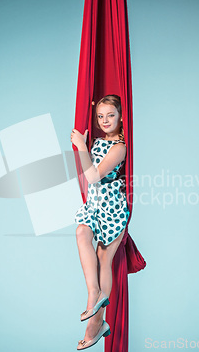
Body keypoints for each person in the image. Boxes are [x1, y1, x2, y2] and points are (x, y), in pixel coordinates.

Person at [70, 94, 130, 350]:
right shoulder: (97, 141)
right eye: (100, 116)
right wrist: (85, 146)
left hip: (112, 207)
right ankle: (93, 293)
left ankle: (95, 325)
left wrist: (81, 147)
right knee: (81, 233)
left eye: (111, 116)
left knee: (103, 258)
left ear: (120, 117)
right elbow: (87, 173)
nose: (105, 121)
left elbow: (93, 176)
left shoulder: (120, 147)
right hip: (94, 205)